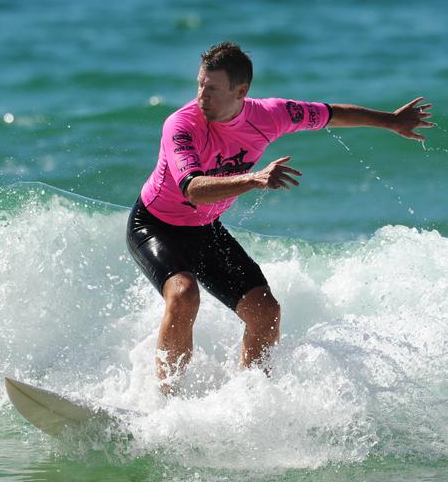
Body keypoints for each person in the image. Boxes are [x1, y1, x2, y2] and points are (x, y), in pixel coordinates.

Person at [126, 41, 434, 395]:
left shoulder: (270, 115)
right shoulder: (180, 125)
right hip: (154, 225)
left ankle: (249, 397)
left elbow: (332, 113)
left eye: (211, 88)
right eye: (199, 84)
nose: (201, 95)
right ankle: (165, 403)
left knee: (265, 311)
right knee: (183, 293)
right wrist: (254, 179)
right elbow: (193, 189)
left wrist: (391, 122)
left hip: (204, 229)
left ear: (241, 91)